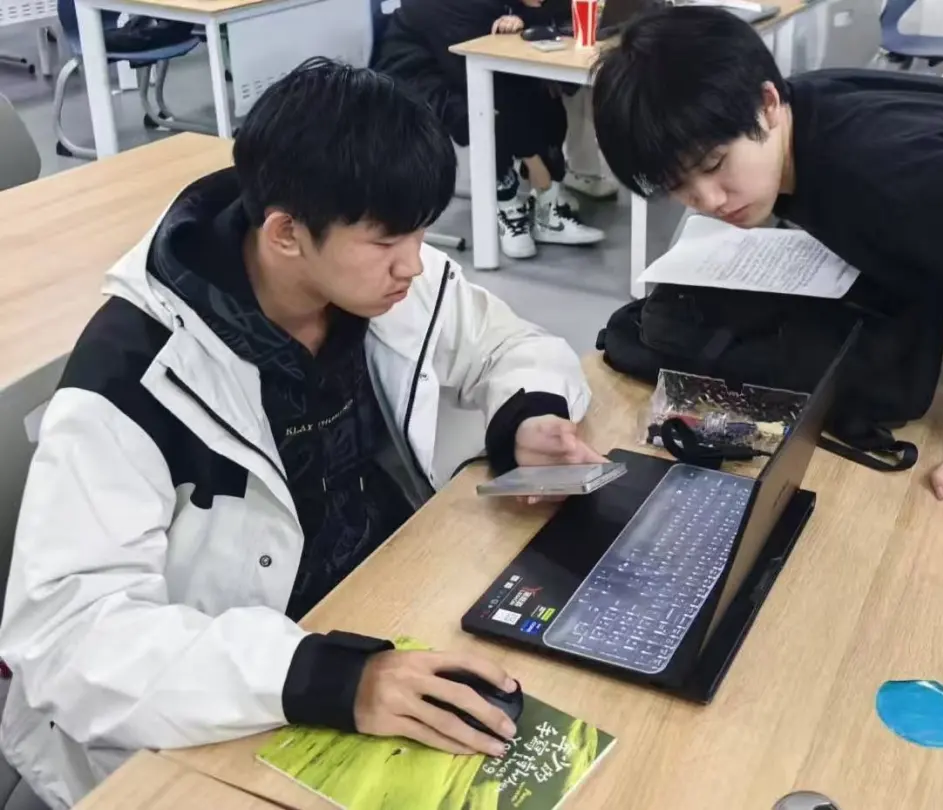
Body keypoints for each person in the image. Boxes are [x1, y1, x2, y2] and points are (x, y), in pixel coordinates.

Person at [0, 58, 604, 809]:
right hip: (226, 706)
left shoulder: (378, 277)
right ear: (286, 233)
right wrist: (327, 679)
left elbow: (507, 343)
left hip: (379, 616)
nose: (414, 264)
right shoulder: (134, 376)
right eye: (389, 241)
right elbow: (66, 640)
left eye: (420, 233)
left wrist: (527, 414)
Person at [590, 5, 943, 797]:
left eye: (715, 164)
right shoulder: (810, 120)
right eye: (679, 184)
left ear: (766, 102)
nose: (708, 198)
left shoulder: (884, 168)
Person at [373, 0, 611, 260]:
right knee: (485, 110)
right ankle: (509, 207)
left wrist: (526, 17)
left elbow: (557, 8)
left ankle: (547, 213)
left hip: (458, 61)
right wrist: (535, 165)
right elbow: (473, 76)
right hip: (415, 74)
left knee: (543, 100)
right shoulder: (451, 8)